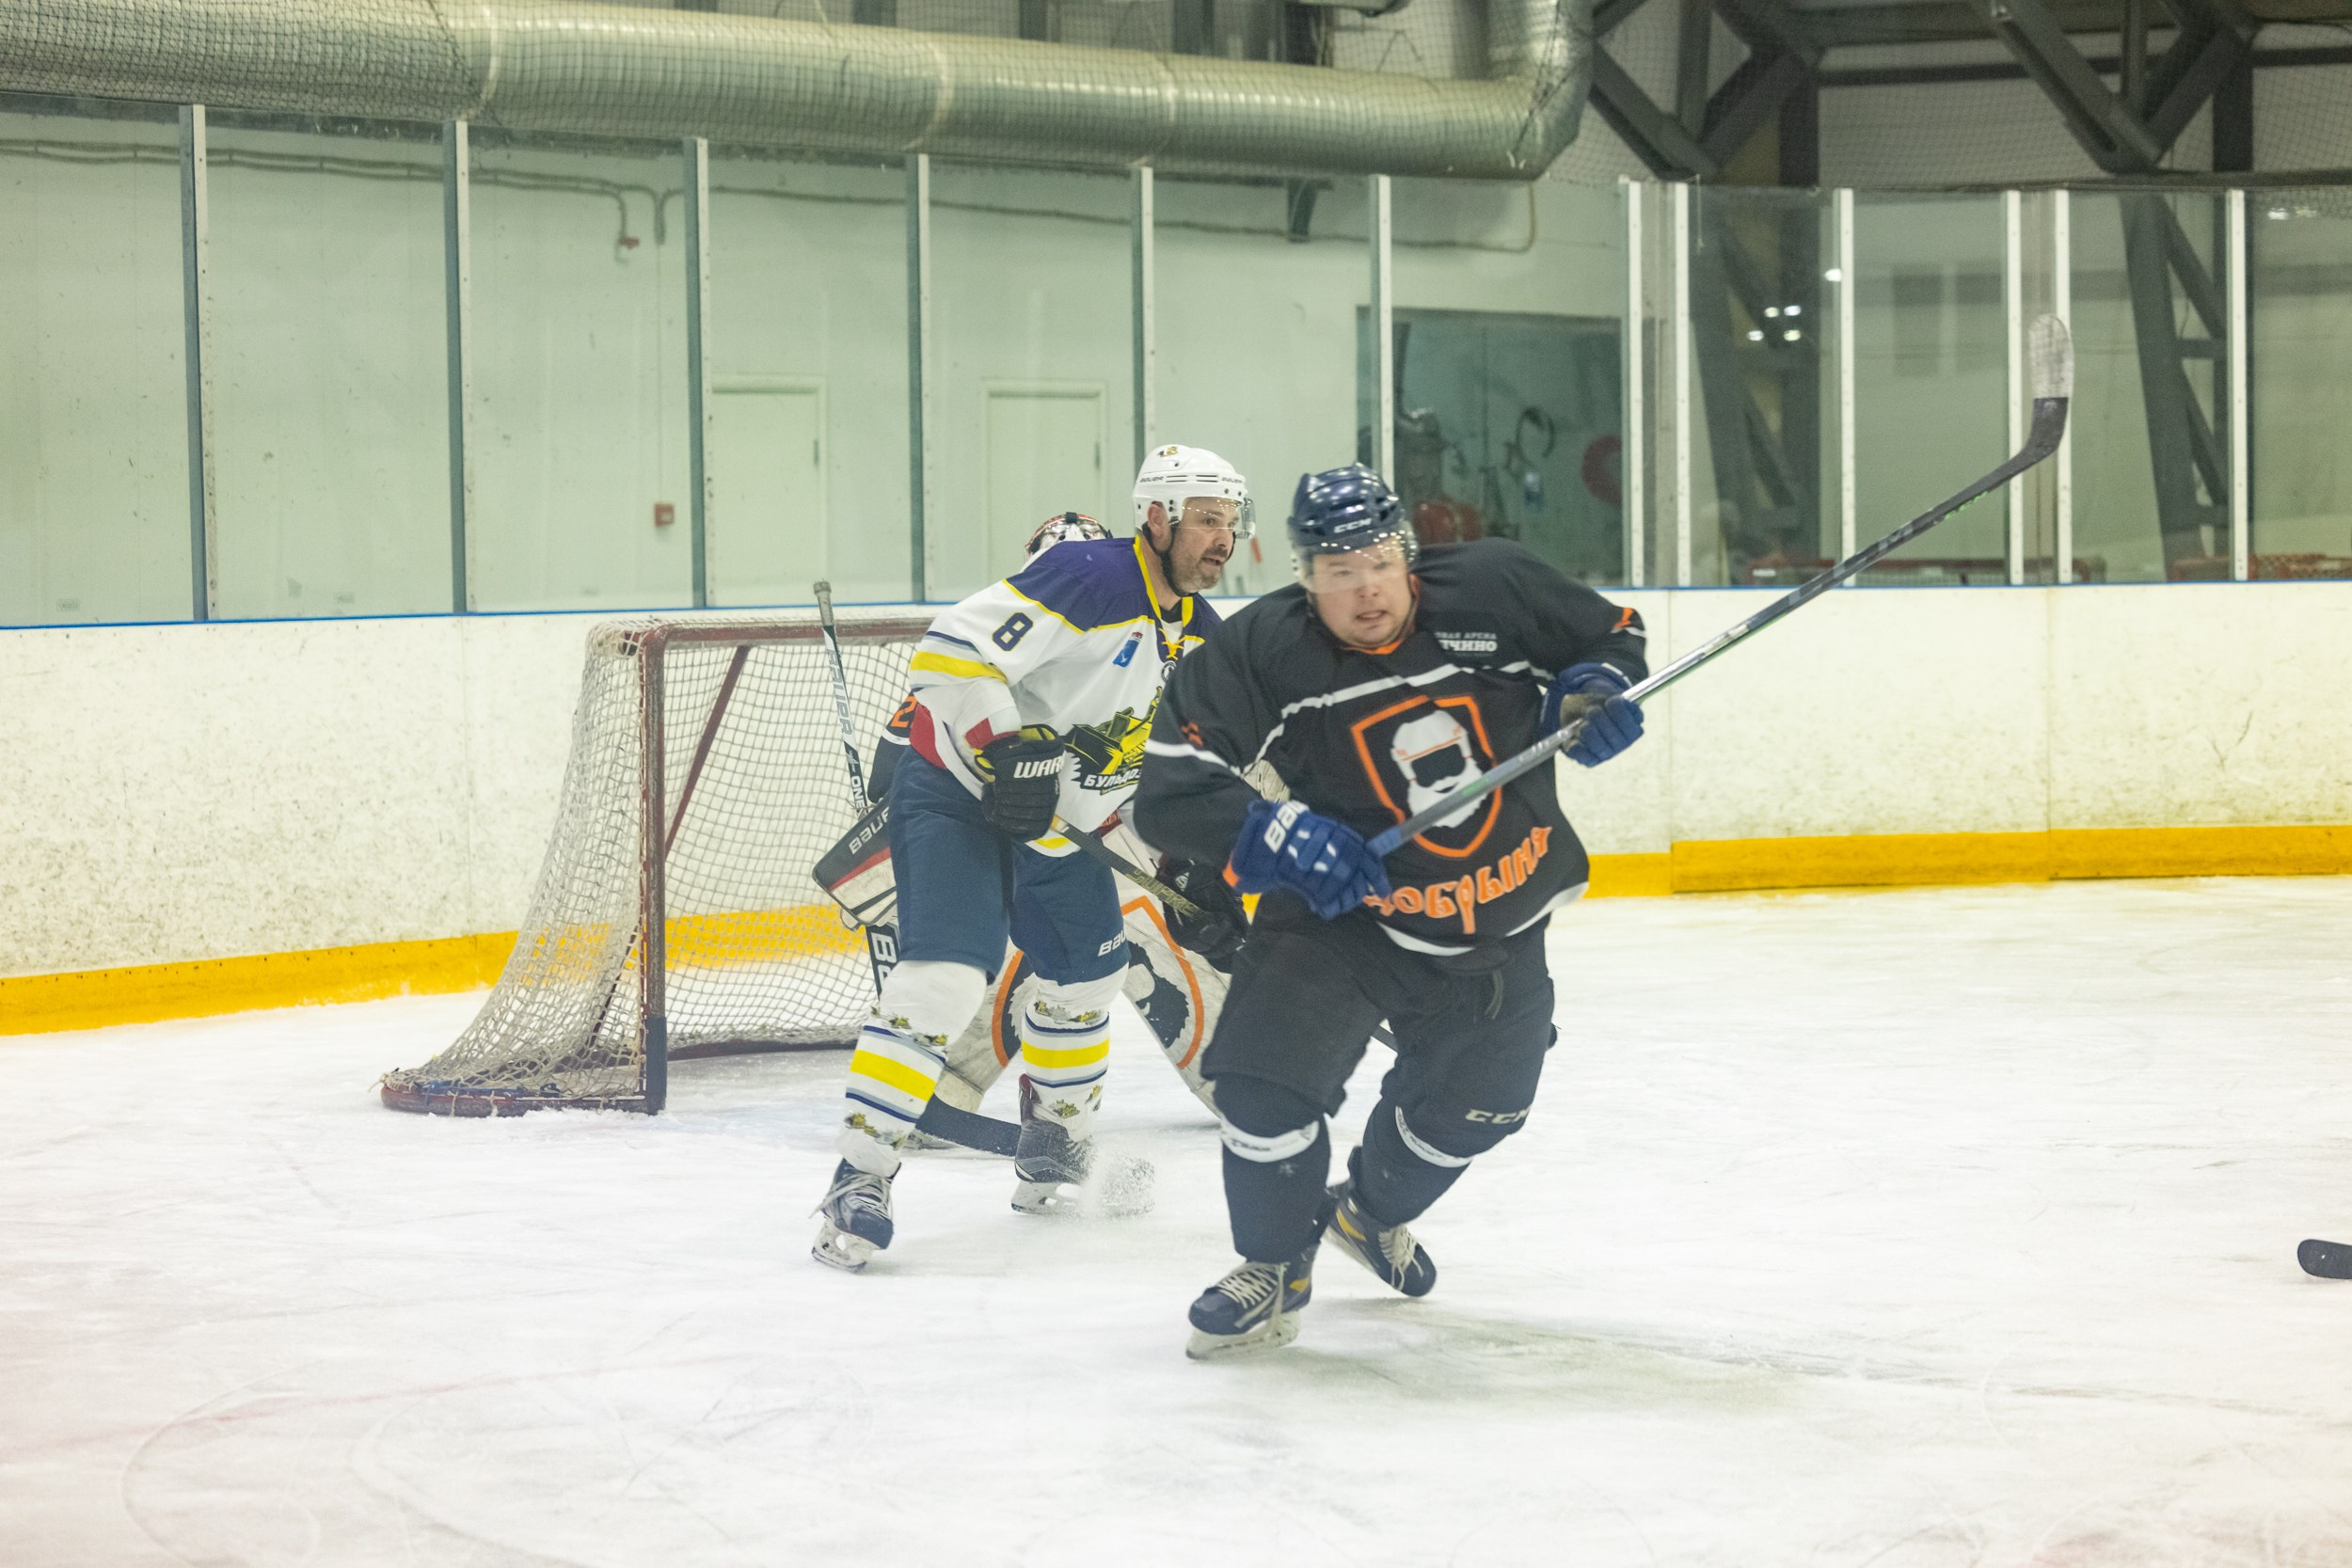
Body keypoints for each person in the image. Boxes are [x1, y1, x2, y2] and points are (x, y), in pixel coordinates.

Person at [1131, 465, 1648, 1358]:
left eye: (1376, 561)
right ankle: (1274, 1261)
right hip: (1347, 912)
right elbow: (1170, 787)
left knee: (1482, 1109)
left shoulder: (1494, 586)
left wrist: (1595, 690)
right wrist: (1274, 834)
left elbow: (1610, 635)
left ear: (1407, 553)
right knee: (1257, 1087)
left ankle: (1366, 1215)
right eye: (1336, 571)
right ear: (1303, 576)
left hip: (1498, 916)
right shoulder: (1265, 649)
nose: (1363, 589)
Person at [812, 446, 1251, 1271]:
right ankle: (858, 1173)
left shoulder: (1201, 635)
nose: (1221, 539)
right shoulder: (1092, 577)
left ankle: (1054, 1144)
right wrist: (1005, 748)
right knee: (948, 974)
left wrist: (1201, 870)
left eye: (1230, 522)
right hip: (960, 801)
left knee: (1090, 969)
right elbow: (947, 653)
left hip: (1062, 828)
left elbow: (1179, 770)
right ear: (1155, 517)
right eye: (1205, 519)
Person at [865, 510, 1242, 1123]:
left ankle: (1228, 1083)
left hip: (1092, 851)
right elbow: (910, 772)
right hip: (1005, 851)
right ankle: (941, 1090)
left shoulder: (1152, 648)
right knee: (990, 962)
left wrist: (1187, 866)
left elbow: (1151, 783)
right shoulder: (997, 661)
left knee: (1103, 956)